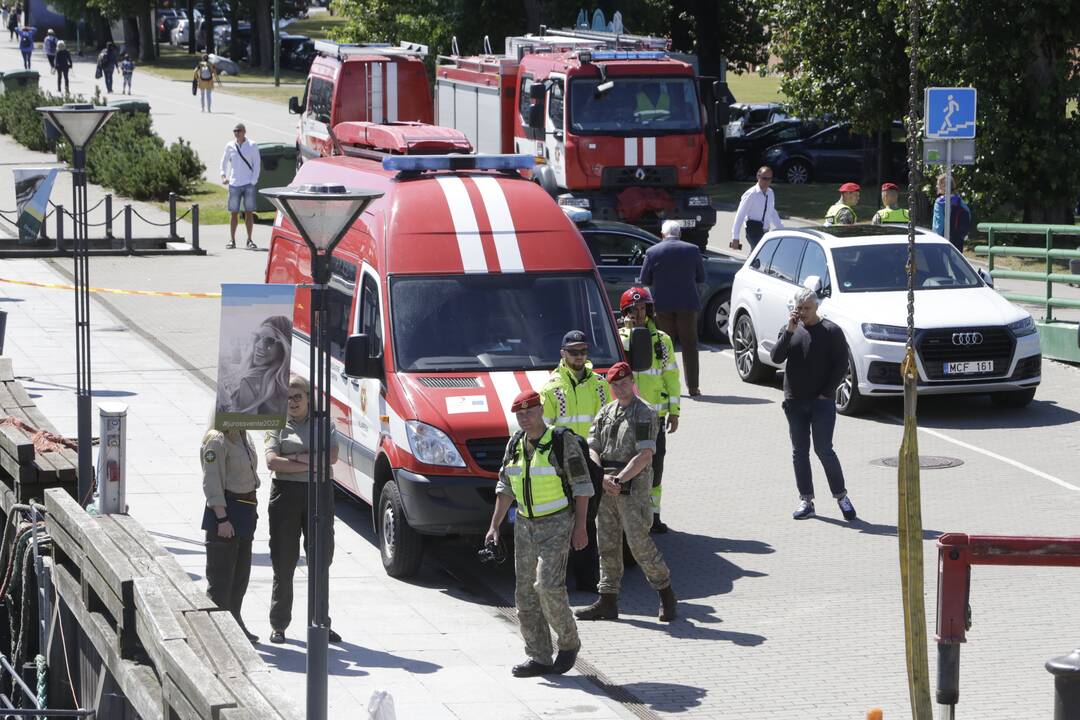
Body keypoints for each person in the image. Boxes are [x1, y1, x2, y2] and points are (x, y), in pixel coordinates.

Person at [485, 389, 592, 678]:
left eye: (530, 412)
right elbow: (505, 487)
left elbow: (581, 486)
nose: (525, 418)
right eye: (520, 414)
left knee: (547, 586)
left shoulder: (560, 441)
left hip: (557, 524)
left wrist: (580, 527)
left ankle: (569, 643)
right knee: (525, 596)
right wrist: (494, 526)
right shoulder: (516, 443)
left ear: (541, 410)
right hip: (524, 526)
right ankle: (539, 657)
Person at [576, 362, 677, 623]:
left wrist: (618, 480)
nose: (620, 389)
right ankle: (607, 601)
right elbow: (593, 447)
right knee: (607, 545)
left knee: (638, 544)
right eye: (615, 385)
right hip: (608, 486)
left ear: (632, 381)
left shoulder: (645, 413)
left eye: (624, 383)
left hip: (632, 489)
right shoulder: (606, 412)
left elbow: (644, 455)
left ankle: (666, 593)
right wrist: (601, 476)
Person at [264, 374, 343, 645]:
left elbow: (331, 458)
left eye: (298, 396)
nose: (293, 402)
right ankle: (279, 624)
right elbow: (273, 462)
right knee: (283, 561)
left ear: (309, 398)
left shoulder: (324, 425)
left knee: (320, 561)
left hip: (318, 495)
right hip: (285, 495)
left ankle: (321, 622)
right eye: (287, 397)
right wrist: (310, 463)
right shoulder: (276, 425)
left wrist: (294, 459)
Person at [769, 287, 856, 522]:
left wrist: (827, 393)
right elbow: (776, 358)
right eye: (799, 308)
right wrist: (788, 331)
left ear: (816, 307)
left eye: (807, 308)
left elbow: (841, 365)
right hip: (794, 402)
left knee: (824, 449)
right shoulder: (790, 330)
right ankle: (806, 500)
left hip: (821, 403)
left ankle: (842, 497)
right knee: (800, 452)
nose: (802, 312)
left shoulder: (831, 331)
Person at [540, 330, 610, 591]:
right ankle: (558, 578)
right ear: (563, 354)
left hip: (592, 461)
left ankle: (586, 580)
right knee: (561, 521)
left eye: (583, 351)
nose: (579, 356)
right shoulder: (552, 387)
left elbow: (608, 422)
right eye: (573, 352)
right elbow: (544, 430)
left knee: (588, 521)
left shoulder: (600, 385)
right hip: (563, 466)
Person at [618, 287, 679, 534]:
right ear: (625, 312)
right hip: (625, 417)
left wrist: (674, 410)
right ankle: (625, 516)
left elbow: (671, 376)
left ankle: (653, 516)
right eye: (632, 309)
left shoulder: (662, 341)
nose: (638, 313)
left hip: (655, 416)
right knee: (625, 465)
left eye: (642, 308)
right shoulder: (618, 338)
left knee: (656, 467)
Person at [200, 420, 260, 643]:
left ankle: (234, 623)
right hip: (227, 512)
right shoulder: (217, 440)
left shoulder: (243, 434)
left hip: (246, 511)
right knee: (220, 581)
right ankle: (215, 637)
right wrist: (222, 518)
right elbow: (212, 481)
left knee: (240, 576)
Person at [639, 219, 705, 396]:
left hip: (662, 306)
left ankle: (664, 385)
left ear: (662, 234)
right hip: (688, 304)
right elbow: (701, 277)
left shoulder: (652, 252)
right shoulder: (693, 250)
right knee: (690, 346)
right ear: (680, 234)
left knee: (664, 346)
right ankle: (693, 387)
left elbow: (645, 279)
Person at [221, 315, 291, 415]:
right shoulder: (290, 380)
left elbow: (242, 423)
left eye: (269, 341)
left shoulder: (250, 381)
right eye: (257, 338)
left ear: (283, 347)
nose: (258, 345)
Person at [219, 123, 262, 250]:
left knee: (249, 213)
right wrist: (223, 175)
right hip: (234, 184)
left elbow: (257, 165)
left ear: (244, 132)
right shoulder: (230, 146)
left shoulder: (252, 145)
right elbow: (223, 161)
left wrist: (253, 181)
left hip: (248, 184)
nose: (237, 133)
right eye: (235, 131)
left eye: (239, 131)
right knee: (234, 213)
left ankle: (249, 239)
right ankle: (232, 240)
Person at [730, 165, 783, 250]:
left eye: (769, 179)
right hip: (753, 230)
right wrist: (735, 237)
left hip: (764, 231)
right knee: (759, 253)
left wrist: (781, 229)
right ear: (758, 177)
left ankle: (749, 262)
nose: (767, 181)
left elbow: (772, 211)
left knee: (757, 256)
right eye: (764, 178)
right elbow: (740, 214)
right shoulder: (751, 194)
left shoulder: (770, 193)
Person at [932, 173, 972, 253]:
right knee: (955, 263)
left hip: (943, 239)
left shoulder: (939, 202)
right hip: (957, 238)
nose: (936, 186)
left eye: (938, 184)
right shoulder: (957, 200)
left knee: (940, 264)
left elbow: (939, 224)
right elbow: (968, 214)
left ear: (944, 186)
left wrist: (936, 239)